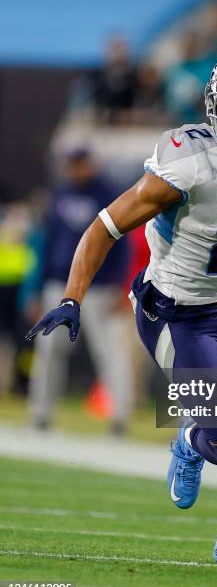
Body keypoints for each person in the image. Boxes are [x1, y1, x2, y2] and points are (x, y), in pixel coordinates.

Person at [26, 48, 217, 567]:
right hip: (176, 313)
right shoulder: (188, 159)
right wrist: (72, 297)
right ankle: (189, 437)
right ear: (216, 106)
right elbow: (104, 227)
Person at [27, 149, 133, 435]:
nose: (75, 170)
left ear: (91, 164)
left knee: (109, 352)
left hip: (99, 288)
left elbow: (124, 245)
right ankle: (40, 413)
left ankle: (120, 416)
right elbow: (46, 246)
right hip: (59, 285)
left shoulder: (109, 194)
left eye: (80, 164)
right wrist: (35, 290)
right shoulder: (60, 195)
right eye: (71, 165)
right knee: (49, 351)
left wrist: (120, 287)